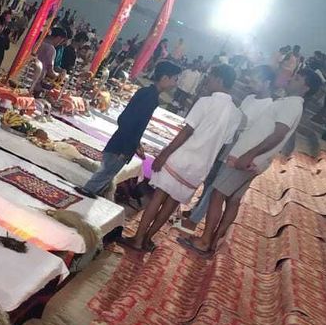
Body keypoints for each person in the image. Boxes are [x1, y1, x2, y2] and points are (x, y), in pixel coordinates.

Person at [181, 69, 319, 256]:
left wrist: (249, 155)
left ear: (306, 87)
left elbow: (278, 134)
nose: (291, 80)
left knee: (217, 194)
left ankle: (205, 241)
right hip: (253, 159)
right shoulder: (289, 103)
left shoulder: (293, 105)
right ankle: (213, 241)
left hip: (247, 159)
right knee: (233, 201)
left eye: (297, 78)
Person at [121, 65, 243, 252]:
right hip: (201, 166)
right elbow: (224, 142)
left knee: (157, 198)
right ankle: (147, 238)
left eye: (210, 77)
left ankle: (138, 239)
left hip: (182, 157)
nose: (207, 81)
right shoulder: (236, 114)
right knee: (171, 204)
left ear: (219, 79)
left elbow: (187, 131)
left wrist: (165, 153)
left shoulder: (206, 102)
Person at [180, 65, 276, 230]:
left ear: (267, 83)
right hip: (229, 144)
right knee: (210, 180)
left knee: (216, 187)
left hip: (241, 151)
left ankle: (194, 221)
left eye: (257, 78)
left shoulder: (269, 106)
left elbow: (260, 134)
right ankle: (196, 210)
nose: (251, 80)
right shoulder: (250, 98)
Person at [75, 61, 182, 199]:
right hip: (122, 145)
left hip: (123, 142)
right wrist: (126, 148)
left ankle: (90, 194)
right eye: (175, 79)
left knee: (107, 174)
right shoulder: (149, 97)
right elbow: (127, 121)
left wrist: (136, 144)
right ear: (165, 78)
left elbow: (133, 123)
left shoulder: (149, 95)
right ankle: (85, 194)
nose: (176, 83)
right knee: (104, 174)